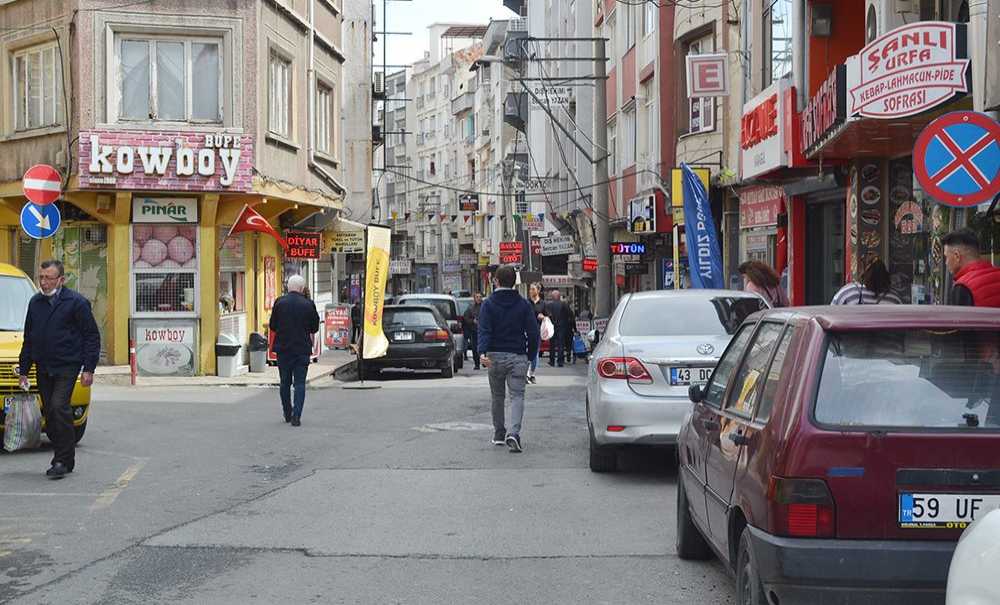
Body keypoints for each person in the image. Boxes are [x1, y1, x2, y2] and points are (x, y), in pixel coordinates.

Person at [18, 260, 100, 479]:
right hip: (43, 366)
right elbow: (29, 338)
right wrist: (24, 370)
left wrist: (89, 368)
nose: (44, 282)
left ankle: (61, 460)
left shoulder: (76, 303)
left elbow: (91, 336)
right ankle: (65, 456)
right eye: (41, 277)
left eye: (49, 278)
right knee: (51, 414)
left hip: (67, 365)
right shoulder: (35, 303)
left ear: (61, 280)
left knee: (58, 407)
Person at [478, 265, 540, 453]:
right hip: (517, 357)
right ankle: (514, 433)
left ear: (496, 281)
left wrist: (482, 352)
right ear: (515, 282)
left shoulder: (488, 304)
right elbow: (533, 332)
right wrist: (530, 356)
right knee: (517, 396)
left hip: (494, 357)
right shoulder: (523, 304)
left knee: (497, 396)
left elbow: (484, 330)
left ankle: (499, 433)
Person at [269, 275, 320, 426]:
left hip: (283, 349)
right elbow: (314, 327)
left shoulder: (279, 302)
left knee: (284, 382)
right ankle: (297, 416)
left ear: (288, 287)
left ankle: (287, 412)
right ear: (302, 288)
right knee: (299, 384)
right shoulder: (308, 304)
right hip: (302, 350)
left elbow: (272, 325)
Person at [943, 229, 1000, 307]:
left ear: (957, 256)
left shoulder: (962, 287)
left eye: (946, 257)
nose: (946, 263)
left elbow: (959, 318)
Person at [830, 257, 902, 305]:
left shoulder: (847, 292)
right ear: (885, 275)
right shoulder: (894, 298)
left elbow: (831, 314)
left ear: (863, 273)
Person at [526, 283, 547, 384]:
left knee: (535, 353)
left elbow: (548, 316)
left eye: (533, 289)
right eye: (530, 289)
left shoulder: (543, 304)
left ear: (538, 291)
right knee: (525, 352)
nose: (531, 291)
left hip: (537, 331)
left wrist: (544, 317)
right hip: (525, 330)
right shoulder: (526, 303)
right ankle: (526, 374)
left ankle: (532, 374)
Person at [546, 290, 572, 367]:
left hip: (552, 326)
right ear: (559, 296)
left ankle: (552, 361)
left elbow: (547, 315)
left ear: (553, 297)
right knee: (561, 344)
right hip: (562, 326)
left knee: (552, 344)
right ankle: (560, 361)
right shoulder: (564, 304)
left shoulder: (549, 305)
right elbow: (570, 314)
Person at [463, 292, 484, 369]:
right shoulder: (470, 308)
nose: (479, 298)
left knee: (485, 347)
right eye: (477, 297)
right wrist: (472, 321)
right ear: (474, 298)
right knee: (475, 348)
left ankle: (484, 361)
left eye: (480, 297)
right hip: (474, 331)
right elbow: (466, 318)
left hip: (484, 331)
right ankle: (477, 364)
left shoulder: (485, 306)